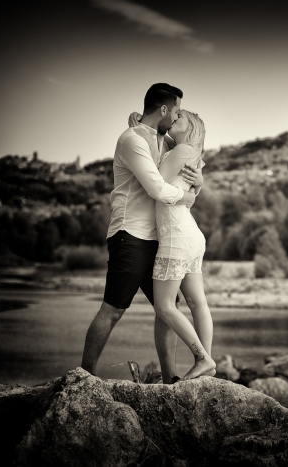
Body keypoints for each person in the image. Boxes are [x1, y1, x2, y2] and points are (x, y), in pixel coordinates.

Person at [81, 83, 203, 383]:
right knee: (113, 308)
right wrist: (188, 199)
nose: (176, 118)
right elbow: (157, 188)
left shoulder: (162, 142)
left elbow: (187, 163)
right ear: (163, 109)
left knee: (167, 309)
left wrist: (198, 182)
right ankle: (83, 377)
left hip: (157, 239)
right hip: (130, 235)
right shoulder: (131, 140)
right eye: (174, 112)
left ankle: (170, 377)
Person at [131, 109, 215, 380]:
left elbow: (156, 183)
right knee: (197, 302)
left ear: (192, 127)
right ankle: (207, 366)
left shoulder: (180, 151)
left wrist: (141, 135)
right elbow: (171, 159)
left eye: (180, 118)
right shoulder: (189, 152)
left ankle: (203, 359)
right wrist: (146, 129)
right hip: (190, 235)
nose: (174, 118)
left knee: (165, 305)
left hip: (176, 236)